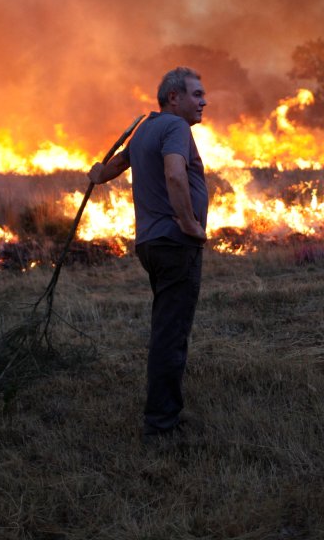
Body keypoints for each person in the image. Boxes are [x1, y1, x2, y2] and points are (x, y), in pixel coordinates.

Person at [89, 66, 209, 442]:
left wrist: (97, 174)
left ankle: (166, 413)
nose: (203, 101)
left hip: (151, 244)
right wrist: (189, 224)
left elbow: (120, 163)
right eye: (196, 94)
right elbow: (175, 174)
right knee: (171, 336)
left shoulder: (145, 129)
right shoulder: (175, 127)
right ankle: (161, 426)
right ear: (173, 97)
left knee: (166, 330)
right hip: (175, 243)